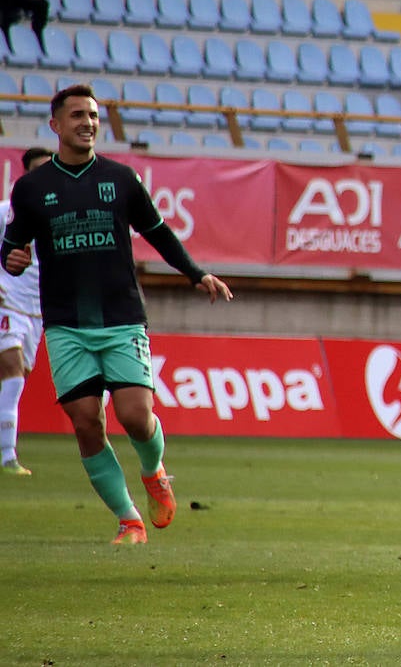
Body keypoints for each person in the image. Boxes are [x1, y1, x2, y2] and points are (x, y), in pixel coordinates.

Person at [1, 85, 233, 545]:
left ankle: (153, 470)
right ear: (55, 125)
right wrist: (12, 256)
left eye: (92, 115)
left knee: (135, 416)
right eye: (77, 116)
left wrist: (196, 273)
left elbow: (159, 232)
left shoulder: (122, 179)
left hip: (122, 317)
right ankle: (130, 521)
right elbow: (12, 242)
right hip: (66, 324)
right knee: (87, 422)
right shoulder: (32, 189)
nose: (87, 122)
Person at [0, 146, 52, 475]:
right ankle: (8, 457)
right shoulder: (6, 212)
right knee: (14, 375)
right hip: (6, 302)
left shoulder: (61, 217)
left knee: (16, 377)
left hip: (39, 313)